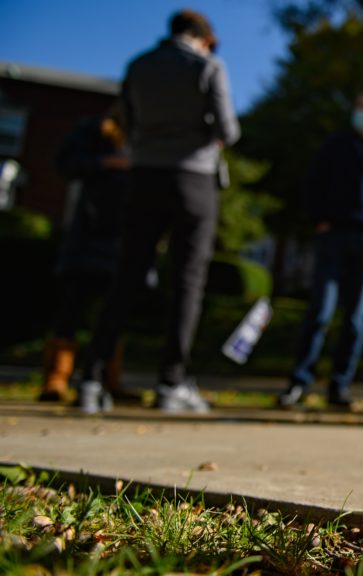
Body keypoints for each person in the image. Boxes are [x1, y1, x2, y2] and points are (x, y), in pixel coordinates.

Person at [75, 9, 240, 413]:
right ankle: (170, 382)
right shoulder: (208, 67)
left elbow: (127, 124)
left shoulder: (138, 66)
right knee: (187, 281)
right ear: (203, 38)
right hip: (193, 178)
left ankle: (91, 378)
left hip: (145, 176)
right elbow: (228, 130)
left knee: (127, 274)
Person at [278, 89, 363, 410]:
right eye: (359, 107)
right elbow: (313, 183)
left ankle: (339, 386)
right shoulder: (336, 146)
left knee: (355, 319)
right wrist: (319, 220)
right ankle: (299, 382)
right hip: (333, 236)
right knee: (320, 311)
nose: (362, 113)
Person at [39, 108, 135, 403]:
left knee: (116, 311)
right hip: (89, 230)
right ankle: (56, 378)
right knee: (72, 306)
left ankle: (107, 378)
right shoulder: (96, 130)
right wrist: (108, 162)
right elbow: (66, 163)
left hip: (126, 235)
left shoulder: (153, 135)